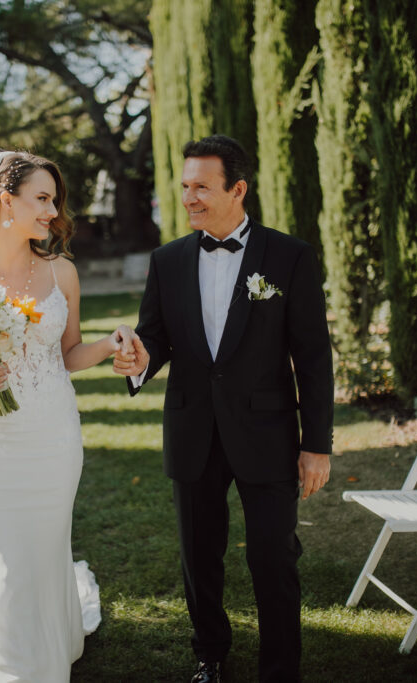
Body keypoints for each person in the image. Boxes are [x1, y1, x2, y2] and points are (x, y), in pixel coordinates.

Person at [113, 135, 334, 683]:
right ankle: (209, 655)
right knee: (199, 560)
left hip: (267, 434)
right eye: (185, 186)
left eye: (201, 188)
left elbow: (312, 357)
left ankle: (280, 670)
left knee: (273, 558)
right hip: (193, 432)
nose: (189, 198)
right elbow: (156, 338)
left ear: (237, 189)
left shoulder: (290, 256)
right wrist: (137, 361)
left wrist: (317, 444)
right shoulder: (167, 260)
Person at [0, 150, 137, 682]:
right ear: (5, 199)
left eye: (53, 200)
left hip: (52, 433)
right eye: (42, 199)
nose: (51, 211)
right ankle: (17, 668)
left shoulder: (60, 271)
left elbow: (66, 356)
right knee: (3, 554)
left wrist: (110, 346)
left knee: (45, 546)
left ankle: (50, 640)